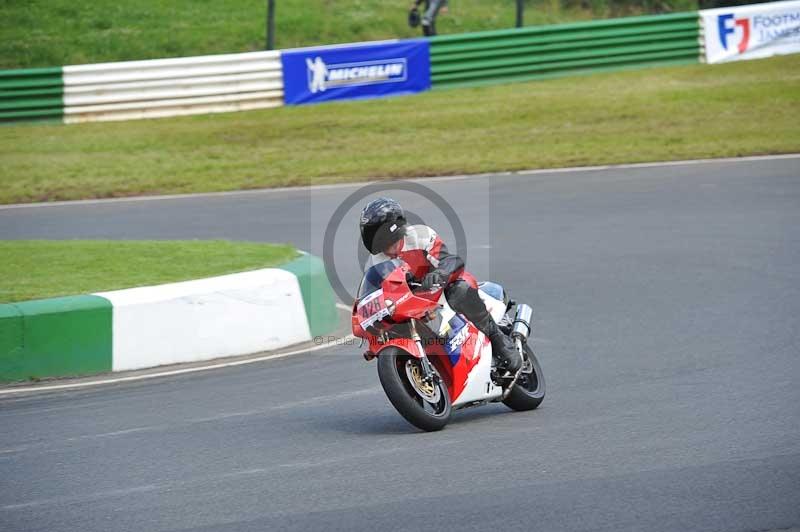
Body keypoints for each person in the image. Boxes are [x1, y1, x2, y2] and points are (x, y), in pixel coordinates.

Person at [359, 197, 522, 373]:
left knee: (459, 290)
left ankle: (500, 342)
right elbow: (376, 296)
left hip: (441, 289)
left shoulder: (419, 236)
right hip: (411, 304)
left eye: (376, 232)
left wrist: (438, 274)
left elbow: (451, 261)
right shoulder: (375, 263)